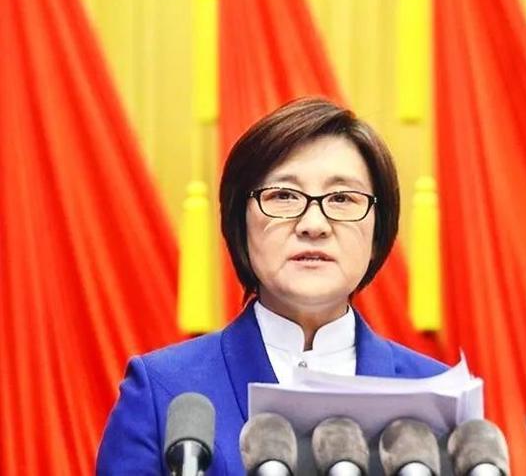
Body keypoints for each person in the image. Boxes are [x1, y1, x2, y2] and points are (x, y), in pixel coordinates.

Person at [96, 98, 447, 475]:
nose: (314, 225)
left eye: (342, 198)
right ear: (240, 223)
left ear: (378, 230)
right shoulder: (163, 391)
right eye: (284, 196)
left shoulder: (435, 396)